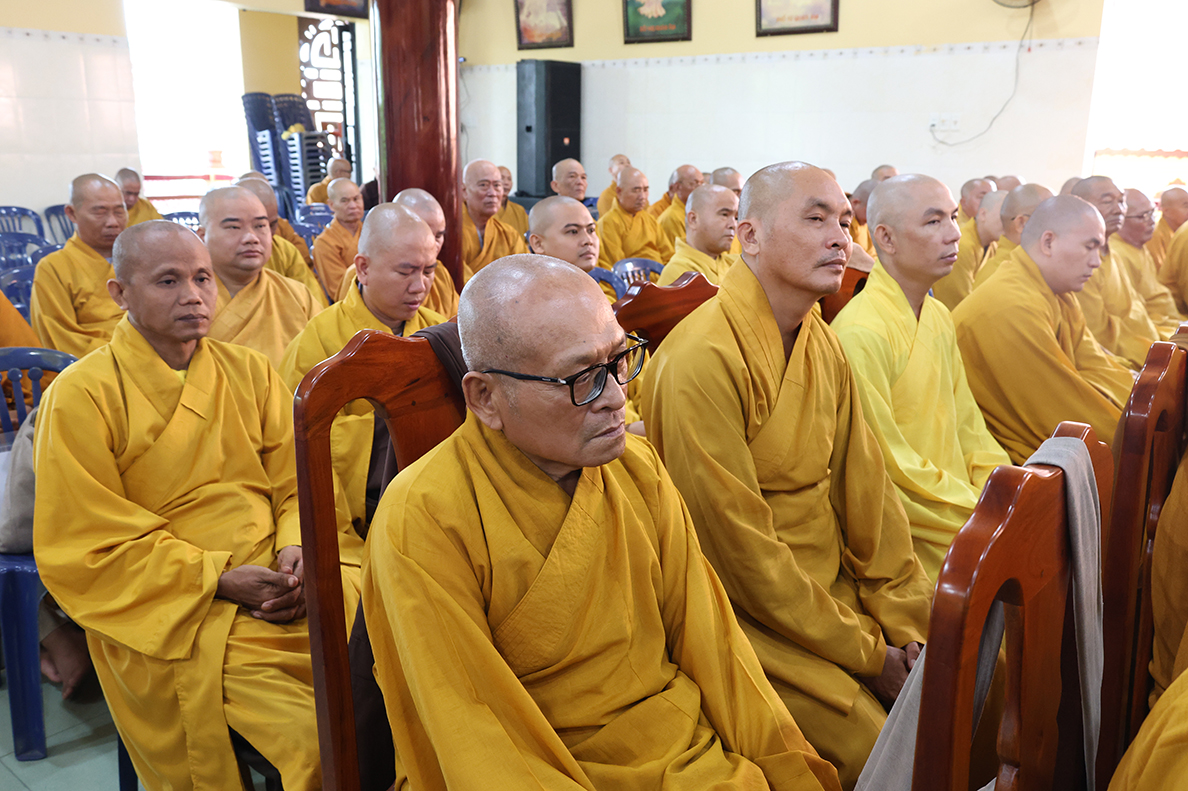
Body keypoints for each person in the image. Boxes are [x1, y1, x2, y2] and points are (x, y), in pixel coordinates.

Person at [361, 253, 842, 791]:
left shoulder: (639, 469)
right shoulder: (423, 518)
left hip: (693, 762)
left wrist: (788, 771)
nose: (616, 398)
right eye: (582, 378)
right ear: (486, 397)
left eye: (618, 360)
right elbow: (470, 734)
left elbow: (717, 651)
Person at [642, 162, 933, 789]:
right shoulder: (698, 360)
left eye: (844, 222)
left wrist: (903, 617)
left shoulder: (821, 343)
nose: (839, 238)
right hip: (745, 615)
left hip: (835, 597)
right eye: (816, 218)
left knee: (973, 676)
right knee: (875, 749)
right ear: (749, 235)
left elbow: (869, 492)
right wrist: (869, 653)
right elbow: (737, 554)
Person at [32, 220, 320, 790]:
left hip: (283, 582)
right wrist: (216, 579)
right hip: (177, 609)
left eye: (202, 278)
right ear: (120, 293)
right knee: (316, 738)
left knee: (395, 674)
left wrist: (297, 545)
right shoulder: (81, 395)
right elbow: (85, 547)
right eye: (168, 281)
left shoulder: (250, 371)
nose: (193, 295)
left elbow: (297, 482)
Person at [832, 175, 1010, 581]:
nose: (954, 233)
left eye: (953, 217)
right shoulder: (860, 333)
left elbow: (969, 425)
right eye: (933, 222)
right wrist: (980, 509)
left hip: (959, 506)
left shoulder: (938, 316)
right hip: (909, 528)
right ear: (886, 238)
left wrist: (1001, 486)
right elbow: (887, 468)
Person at [279, 205, 444, 625]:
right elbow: (288, 447)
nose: (420, 286)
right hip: (355, 512)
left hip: (435, 506)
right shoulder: (318, 342)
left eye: (428, 271)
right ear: (363, 268)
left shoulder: (438, 333)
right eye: (406, 271)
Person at [952, 195, 1134, 463]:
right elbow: (1060, 410)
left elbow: (1096, 364)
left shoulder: (1059, 292)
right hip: (1008, 462)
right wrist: (1140, 434)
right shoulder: (1011, 306)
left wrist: (1142, 397)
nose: (1096, 261)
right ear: (1048, 242)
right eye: (1089, 247)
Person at [198, 187, 321, 367]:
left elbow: (329, 362)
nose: (251, 238)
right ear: (202, 236)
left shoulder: (298, 295)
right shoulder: (186, 300)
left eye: (260, 226)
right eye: (234, 227)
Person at [30, 174, 127, 357]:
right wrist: (126, 353)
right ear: (72, 213)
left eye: (119, 211)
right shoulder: (52, 268)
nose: (113, 222)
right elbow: (57, 338)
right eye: (100, 212)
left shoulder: (139, 259)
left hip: (155, 354)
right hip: (96, 362)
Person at [1072, 176, 1163, 368]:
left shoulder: (1112, 253)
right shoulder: (1079, 262)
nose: (1119, 209)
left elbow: (1136, 309)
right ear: (1081, 206)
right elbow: (1097, 335)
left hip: (1145, 344)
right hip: (1118, 359)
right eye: (1107, 201)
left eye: (1121, 201)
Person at [235, 177, 328, 307]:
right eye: (259, 226)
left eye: (272, 225)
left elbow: (314, 303)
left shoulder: (284, 250)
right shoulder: (211, 258)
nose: (266, 234)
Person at [1113, 188, 1184, 331]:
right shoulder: (1117, 254)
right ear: (1120, 219)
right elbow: (1133, 315)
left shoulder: (1139, 246)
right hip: (1153, 329)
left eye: (1152, 213)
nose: (1152, 221)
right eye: (1143, 216)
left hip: (1171, 321)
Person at [931, 189, 1005, 310]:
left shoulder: (994, 244)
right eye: (1003, 216)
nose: (1008, 224)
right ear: (983, 214)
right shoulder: (962, 246)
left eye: (1011, 218)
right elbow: (958, 303)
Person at [973, 182, 1054, 288]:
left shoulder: (1033, 265)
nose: (1060, 226)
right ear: (1022, 223)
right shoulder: (999, 276)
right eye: (1051, 217)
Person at [460, 159, 529, 282]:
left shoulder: (508, 234)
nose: (492, 193)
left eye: (497, 185)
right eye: (483, 185)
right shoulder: (451, 234)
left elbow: (527, 271)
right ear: (464, 191)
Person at [657, 184, 739, 285]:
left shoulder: (736, 264)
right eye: (724, 215)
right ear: (693, 219)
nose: (733, 225)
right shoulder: (679, 273)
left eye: (736, 218)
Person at [597, 167, 674, 269]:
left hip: (660, 276)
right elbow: (618, 266)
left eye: (645, 190)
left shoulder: (649, 219)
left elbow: (668, 255)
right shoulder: (608, 223)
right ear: (619, 192)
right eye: (636, 190)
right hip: (632, 277)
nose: (642, 196)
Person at [313, 178, 366, 301]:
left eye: (356, 199)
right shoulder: (324, 243)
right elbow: (339, 290)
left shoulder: (372, 231)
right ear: (331, 205)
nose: (353, 206)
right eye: (345, 201)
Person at [657, 164, 705, 244]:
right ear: (677, 187)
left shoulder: (697, 213)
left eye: (702, 183)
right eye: (695, 183)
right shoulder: (671, 218)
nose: (700, 188)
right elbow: (682, 248)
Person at [1148, 186, 1188, 269]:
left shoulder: (1182, 232)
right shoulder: (1155, 235)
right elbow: (1161, 272)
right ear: (1166, 211)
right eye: (1186, 206)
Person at [494, 165, 529, 234]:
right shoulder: (484, 209)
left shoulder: (519, 210)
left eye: (509, 179)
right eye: (502, 178)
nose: (506, 182)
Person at [847, 180, 877, 257]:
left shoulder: (866, 223)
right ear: (855, 203)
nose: (873, 218)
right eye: (870, 212)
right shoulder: (839, 220)